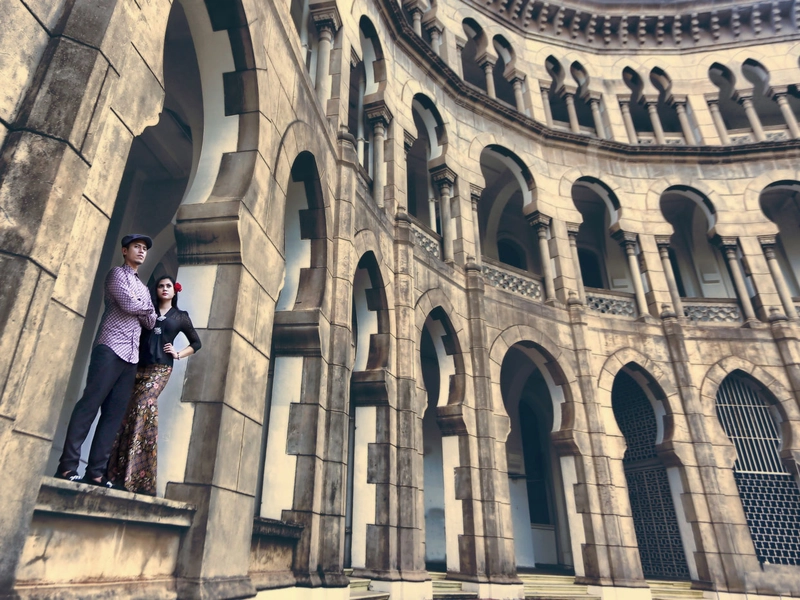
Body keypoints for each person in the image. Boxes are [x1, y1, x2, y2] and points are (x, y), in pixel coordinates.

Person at [56, 234, 157, 487]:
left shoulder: (143, 288)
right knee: (89, 405)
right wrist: (144, 307)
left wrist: (142, 307)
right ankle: (67, 467)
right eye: (137, 247)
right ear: (125, 250)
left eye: (144, 248)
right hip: (110, 347)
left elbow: (151, 321)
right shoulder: (116, 275)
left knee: (113, 415)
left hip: (131, 355)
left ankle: (96, 473)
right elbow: (127, 304)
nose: (141, 251)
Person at [107, 275, 202, 495]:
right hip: (137, 366)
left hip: (160, 369)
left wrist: (178, 354)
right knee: (127, 411)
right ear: (156, 290)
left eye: (169, 286)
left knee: (143, 404)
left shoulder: (180, 316)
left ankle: (138, 475)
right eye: (161, 286)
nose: (165, 289)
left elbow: (197, 342)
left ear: (175, 291)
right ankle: (115, 472)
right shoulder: (147, 311)